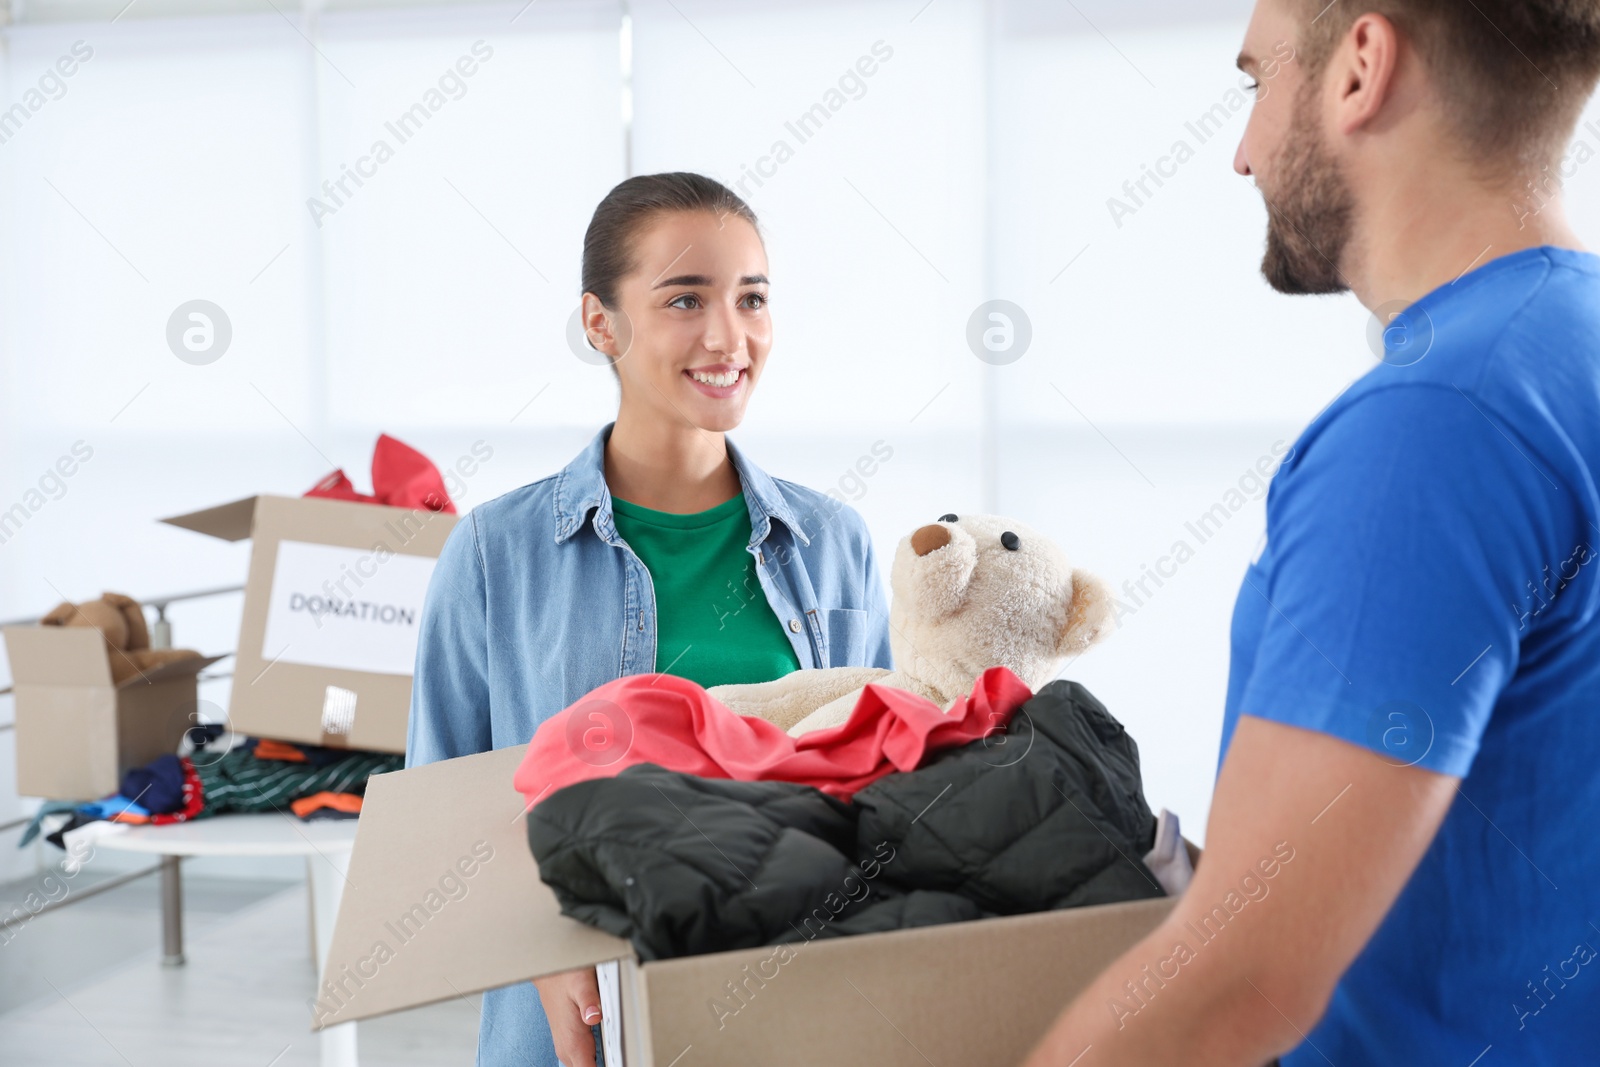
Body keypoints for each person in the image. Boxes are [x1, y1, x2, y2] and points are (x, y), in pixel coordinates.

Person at [1025, 1, 1600, 1064]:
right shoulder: (1568, 353)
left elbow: (1241, 983)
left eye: (1255, 83)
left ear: (1359, 67)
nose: (1241, 156)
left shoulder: (1435, 422)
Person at [407, 172, 894, 1067]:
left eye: (752, 299)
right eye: (684, 298)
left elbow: (885, 790)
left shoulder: (834, 542)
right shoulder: (493, 554)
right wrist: (539, 942)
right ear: (602, 324)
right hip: (573, 1037)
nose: (727, 336)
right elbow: (435, 823)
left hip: (796, 1014)